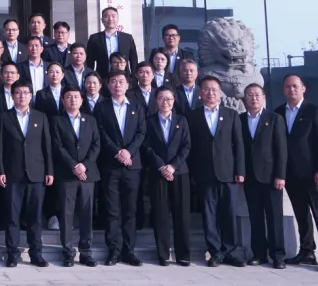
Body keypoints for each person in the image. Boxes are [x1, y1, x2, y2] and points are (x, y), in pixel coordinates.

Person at [276, 74, 318, 272]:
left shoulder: (314, 111)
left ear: (303, 88)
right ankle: (307, 251)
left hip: (312, 174)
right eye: (287, 86)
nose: (291, 89)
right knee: (301, 214)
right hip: (291, 174)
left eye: (295, 86)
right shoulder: (279, 112)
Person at [187, 76, 246, 267]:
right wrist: (193, 173)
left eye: (214, 89)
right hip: (204, 173)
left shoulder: (231, 114)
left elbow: (238, 144)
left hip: (228, 173)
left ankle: (231, 251)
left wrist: (240, 170)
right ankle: (215, 252)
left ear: (220, 93)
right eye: (206, 89)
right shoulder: (192, 116)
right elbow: (190, 147)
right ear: (200, 93)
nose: (210, 93)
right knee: (209, 215)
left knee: (229, 212)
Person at [0, 81, 54, 268]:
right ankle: (12, 253)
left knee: (35, 217)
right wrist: (0, 170)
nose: (22, 96)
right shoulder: (3, 117)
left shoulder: (40, 117)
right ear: (12, 95)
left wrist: (49, 171)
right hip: (12, 173)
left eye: (26, 92)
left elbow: (47, 146)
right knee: (12, 216)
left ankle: (36, 253)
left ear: (31, 95)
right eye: (18, 93)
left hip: (37, 173)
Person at [94, 71, 146, 267]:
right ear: (108, 85)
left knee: (130, 209)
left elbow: (141, 132)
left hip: (132, 165)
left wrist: (128, 152)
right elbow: (100, 133)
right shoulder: (101, 107)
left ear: (127, 85)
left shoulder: (136, 105)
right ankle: (114, 250)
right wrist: (118, 152)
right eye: (114, 81)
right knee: (112, 209)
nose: (117, 85)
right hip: (111, 165)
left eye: (121, 81)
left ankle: (129, 250)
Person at [51, 84, 100, 268]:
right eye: (69, 97)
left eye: (76, 97)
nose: (73, 100)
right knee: (66, 214)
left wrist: (84, 165)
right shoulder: (56, 121)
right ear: (63, 100)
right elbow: (57, 146)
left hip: (88, 174)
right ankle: (68, 252)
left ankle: (86, 252)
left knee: (87, 213)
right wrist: (73, 165)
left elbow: (96, 145)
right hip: (67, 173)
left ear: (82, 99)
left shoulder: (90, 120)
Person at [142, 87, 191, 267]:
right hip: (158, 173)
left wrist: (172, 166)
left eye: (169, 99)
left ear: (174, 101)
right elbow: (146, 147)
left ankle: (183, 254)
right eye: (162, 98)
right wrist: (161, 166)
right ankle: (163, 254)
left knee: (181, 215)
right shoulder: (149, 121)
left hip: (179, 172)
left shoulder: (181, 120)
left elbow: (186, 146)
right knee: (160, 215)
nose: (166, 102)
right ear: (156, 100)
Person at [240, 83, 288, 269]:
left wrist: (280, 175)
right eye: (250, 95)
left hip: (271, 177)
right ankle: (259, 253)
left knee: (274, 217)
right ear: (245, 99)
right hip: (250, 177)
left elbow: (281, 149)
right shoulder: (240, 119)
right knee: (255, 217)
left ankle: (278, 255)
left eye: (257, 95)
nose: (254, 98)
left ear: (264, 98)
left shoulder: (274, 118)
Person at [85, 6, 139, 77]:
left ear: (118, 19)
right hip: (102, 78)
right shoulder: (94, 38)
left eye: (113, 16)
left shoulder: (127, 38)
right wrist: (90, 77)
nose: (110, 19)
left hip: (124, 78)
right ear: (102, 20)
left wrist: (134, 79)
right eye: (106, 16)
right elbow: (89, 61)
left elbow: (134, 60)